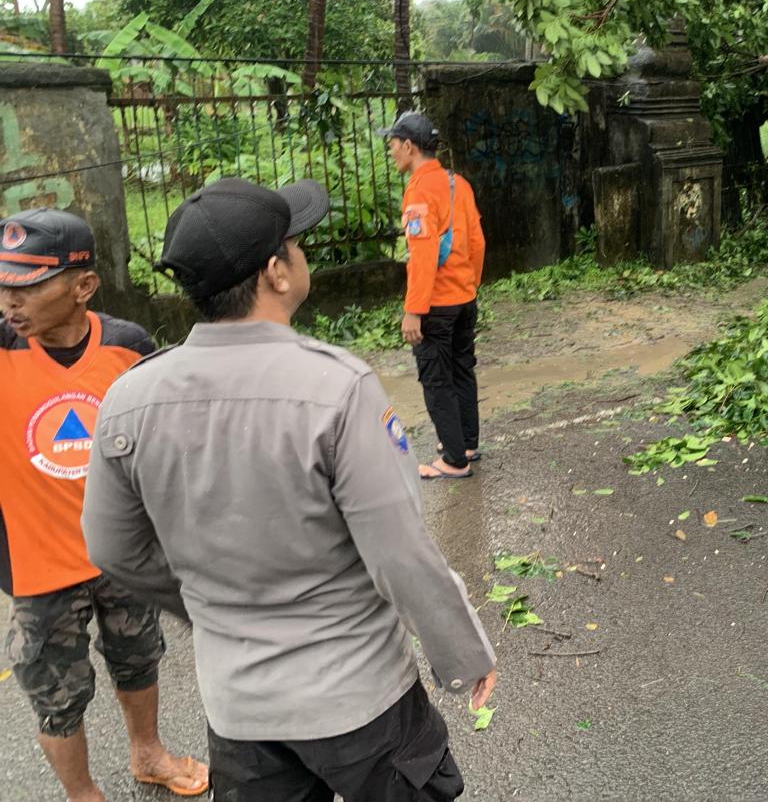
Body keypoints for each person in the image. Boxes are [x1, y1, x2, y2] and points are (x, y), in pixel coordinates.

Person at [81, 178, 497, 802]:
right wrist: (461, 654)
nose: (301, 255)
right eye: (295, 244)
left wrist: (211, 607)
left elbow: (112, 547)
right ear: (276, 272)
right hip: (359, 699)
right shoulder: (337, 389)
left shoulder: (129, 399)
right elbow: (401, 554)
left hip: (239, 710)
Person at [0, 208, 208, 801]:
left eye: (28, 286)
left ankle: (148, 753)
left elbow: (158, 443)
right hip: (37, 568)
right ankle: (83, 793)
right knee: (56, 694)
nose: (10, 301)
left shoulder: (127, 346)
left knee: (138, 656)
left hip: (122, 552)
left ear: (83, 286)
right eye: (3, 285)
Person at [380, 111, 486, 479]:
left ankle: (454, 461)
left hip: (436, 306)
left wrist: (414, 311)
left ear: (409, 146)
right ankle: (466, 444)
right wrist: (468, 284)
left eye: (393, 144)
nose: (391, 151)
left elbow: (423, 255)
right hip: (464, 298)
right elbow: (477, 242)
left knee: (436, 379)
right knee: (462, 370)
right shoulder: (459, 184)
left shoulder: (419, 191)